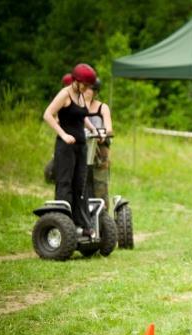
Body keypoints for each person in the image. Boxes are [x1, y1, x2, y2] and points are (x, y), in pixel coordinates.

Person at [43, 63, 99, 237]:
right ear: (76, 80)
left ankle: (81, 224)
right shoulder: (65, 94)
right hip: (65, 147)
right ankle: (64, 225)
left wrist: (93, 129)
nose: (87, 88)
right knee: (65, 183)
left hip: (81, 146)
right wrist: (63, 134)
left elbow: (81, 117)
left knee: (79, 185)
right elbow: (47, 114)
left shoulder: (81, 95)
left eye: (89, 86)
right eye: (85, 84)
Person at [83, 78, 113, 210]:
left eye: (88, 88)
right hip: (80, 149)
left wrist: (102, 133)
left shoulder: (102, 107)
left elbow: (109, 128)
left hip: (98, 151)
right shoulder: (75, 106)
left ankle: (102, 218)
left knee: (100, 187)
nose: (85, 91)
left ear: (95, 91)